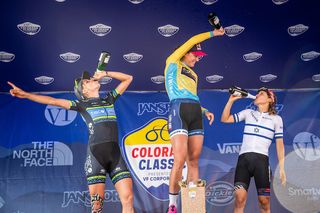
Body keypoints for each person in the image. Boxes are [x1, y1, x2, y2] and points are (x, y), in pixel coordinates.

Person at [8, 70, 134, 213]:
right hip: (96, 158)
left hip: (115, 156)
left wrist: (105, 73)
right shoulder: (81, 104)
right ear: (84, 90)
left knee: (128, 199)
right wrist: (25, 95)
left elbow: (128, 78)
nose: (91, 80)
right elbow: (52, 101)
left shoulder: (109, 99)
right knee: (97, 207)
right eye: (86, 81)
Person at [164, 27, 225, 213]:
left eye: (199, 56)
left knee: (194, 161)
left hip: (195, 111)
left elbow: (193, 96)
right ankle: (172, 204)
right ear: (185, 53)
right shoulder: (172, 61)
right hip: (178, 109)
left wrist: (205, 110)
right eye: (195, 55)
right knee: (180, 159)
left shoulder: (195, 75)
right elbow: (192, 38)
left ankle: (193, 206)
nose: (197, 58)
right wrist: (214, 34)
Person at [220, 87, 286, 213]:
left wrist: (282, 168)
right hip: (243, 161)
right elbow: (225, 119)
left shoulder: (277, 119)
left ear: (270, 99)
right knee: (239, 198)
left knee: (264, 201)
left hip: (261, 162)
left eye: (261, 94)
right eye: (257, 93)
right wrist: (231, 101)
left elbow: (280, 145)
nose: (257, 95)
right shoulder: (248, 112)